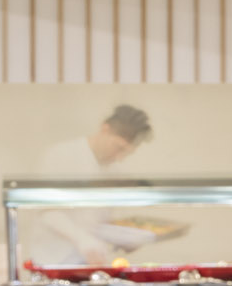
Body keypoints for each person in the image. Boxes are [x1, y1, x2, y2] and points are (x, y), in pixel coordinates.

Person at [21, 104, 161, 266]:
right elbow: (46, 211)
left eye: (127, 152)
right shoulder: (62, 154)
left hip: (92, 262)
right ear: (105, 129)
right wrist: (81, 239)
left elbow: (101, 221)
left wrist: (125, 239)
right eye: (118, 147)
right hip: (53, 260)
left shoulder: (114, 170)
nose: (120, 157)